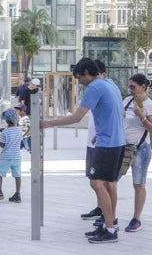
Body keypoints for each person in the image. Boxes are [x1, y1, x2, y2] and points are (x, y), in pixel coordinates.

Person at [40, 58, 125, 244]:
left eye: (79, 78)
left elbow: (77, 118)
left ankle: (110, 230)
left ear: (87, 73)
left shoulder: (94, 87)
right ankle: (108, 225)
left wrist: (48, 123)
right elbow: (118, 112)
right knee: (109, 183)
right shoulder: (110, 83)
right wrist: (101, 132)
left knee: (96, 184)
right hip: (116, 141)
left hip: (107, 144)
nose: (80, 82)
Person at [122, 73, 152, 232]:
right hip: (123, 147)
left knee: (138, 184)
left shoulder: (150, 106)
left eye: (133, 87)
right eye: (129, 86)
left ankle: (136, 219)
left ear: (143, 87)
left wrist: (142, 116)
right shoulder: (127, 101)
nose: (130, 89)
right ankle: (108, 216)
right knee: (110, 181)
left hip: (141, 149)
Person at [81, 60, 106, 221]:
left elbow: (77, 115)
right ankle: (101, 208)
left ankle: (109, 217)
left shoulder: (102, 88)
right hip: (92, 142)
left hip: (103, 143)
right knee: (94, 181)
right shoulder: (96, 89)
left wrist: (49, 123)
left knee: (104, 183)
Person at [0, 108, 23, 203]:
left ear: (7, 121)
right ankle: (17, 194)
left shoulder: (5, 132)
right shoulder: (19, 130)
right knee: (17, 175)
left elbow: (2, 145)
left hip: (6, 157)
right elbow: (19, 138)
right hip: (16, 157)